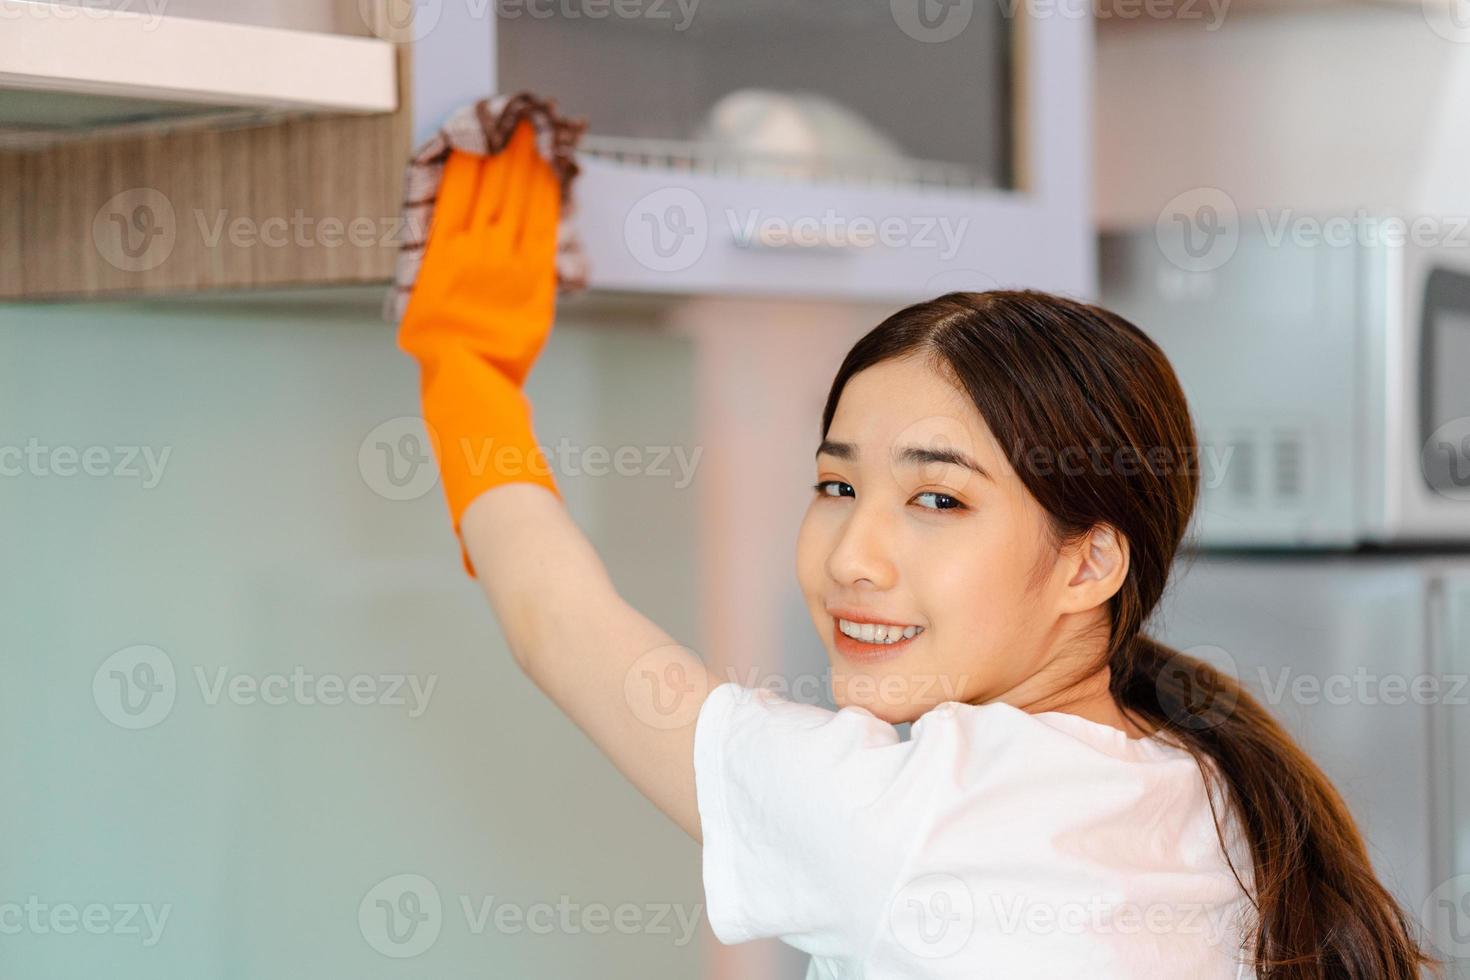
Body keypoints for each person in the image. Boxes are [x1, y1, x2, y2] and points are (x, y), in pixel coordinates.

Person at [396, 121, 1438, 979]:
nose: (856, 553)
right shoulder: (1202, 781)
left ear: (1090, 561)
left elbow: (559, 624)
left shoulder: (927, 813)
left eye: (938, 497)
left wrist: (466, 365)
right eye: (838, 484)